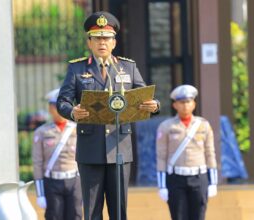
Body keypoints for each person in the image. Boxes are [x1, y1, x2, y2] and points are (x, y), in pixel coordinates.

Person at [56, 11, 159, 220]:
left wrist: (154, 105)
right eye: (97, 38)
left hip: (119, 146)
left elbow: (144, 94)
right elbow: (62, 102)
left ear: (114, 42)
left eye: (106, 38)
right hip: (90, 148)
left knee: (119, 209)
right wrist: (72, 112)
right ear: (89, 42)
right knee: (92, 210)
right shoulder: (77, 69)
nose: (102, 42)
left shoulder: (127, 67)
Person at [156, 85, 218, 220]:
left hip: (199, 177)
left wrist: (213, 182)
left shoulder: (204, 125)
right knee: (178, 216)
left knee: (198, 216)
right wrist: (162, 186)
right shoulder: (166, 126)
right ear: (175, 105)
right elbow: (161, 156)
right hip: (176, 178)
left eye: (188, 101)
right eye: (182, 102)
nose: (185, 106)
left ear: (194, 104)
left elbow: (210, 153)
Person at [32, 88, 82, 220]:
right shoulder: (41, 132)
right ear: (50, 108)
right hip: (52, 181)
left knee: (76, 216)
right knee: (54, 216)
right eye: (55, 106)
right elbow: (37, 163)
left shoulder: (77, 129)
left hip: (74, 180)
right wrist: (40, 193)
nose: (58, 110)